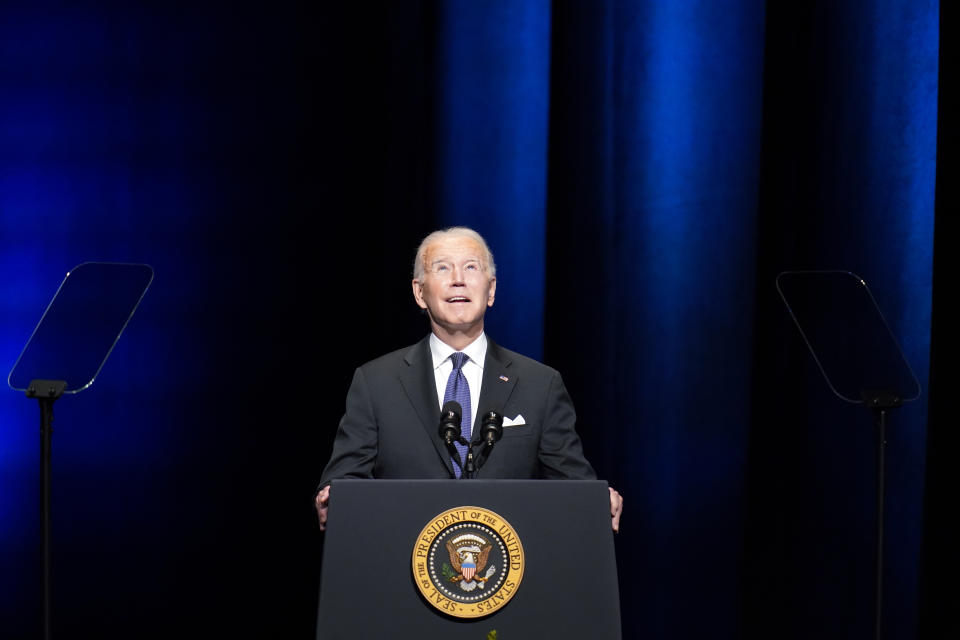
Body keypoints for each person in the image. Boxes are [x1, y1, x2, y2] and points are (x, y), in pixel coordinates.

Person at [315, 227, 623, 531]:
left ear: (491, 291)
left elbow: (573, 484)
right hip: (402, 566)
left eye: (470, 267)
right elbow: (344, 482)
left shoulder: (540, 385)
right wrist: (333, 495)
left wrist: (596, 498)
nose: (458, 279)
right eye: (443, 267)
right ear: (419, 293)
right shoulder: (375, 382)